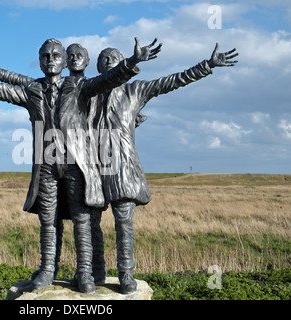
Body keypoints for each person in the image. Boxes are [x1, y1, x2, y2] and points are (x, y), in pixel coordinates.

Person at [0, 37, 154, 293]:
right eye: (45, 56)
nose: (50, 60)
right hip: (46, 164)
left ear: (64, 60)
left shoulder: (78, 87)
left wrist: (133, 61)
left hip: (75, 163)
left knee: (82, 218)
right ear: (39, 61)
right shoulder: (32, 90)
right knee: (48, 219)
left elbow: (107, 80)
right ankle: (47, 269)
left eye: (55, 56)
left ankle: (85, 274)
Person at [90, 42, 238, 294]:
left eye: (113, 57)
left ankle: (126, 273)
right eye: (103, 58)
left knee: (123, 222)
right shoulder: (89, 94)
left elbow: (172, 81)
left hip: (123, 169)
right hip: (92, 167)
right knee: (90, 220)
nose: (107, 61)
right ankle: (97, 270)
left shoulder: (135, 90)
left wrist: (207, 65)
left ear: (122, 62)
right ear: (97, 66)